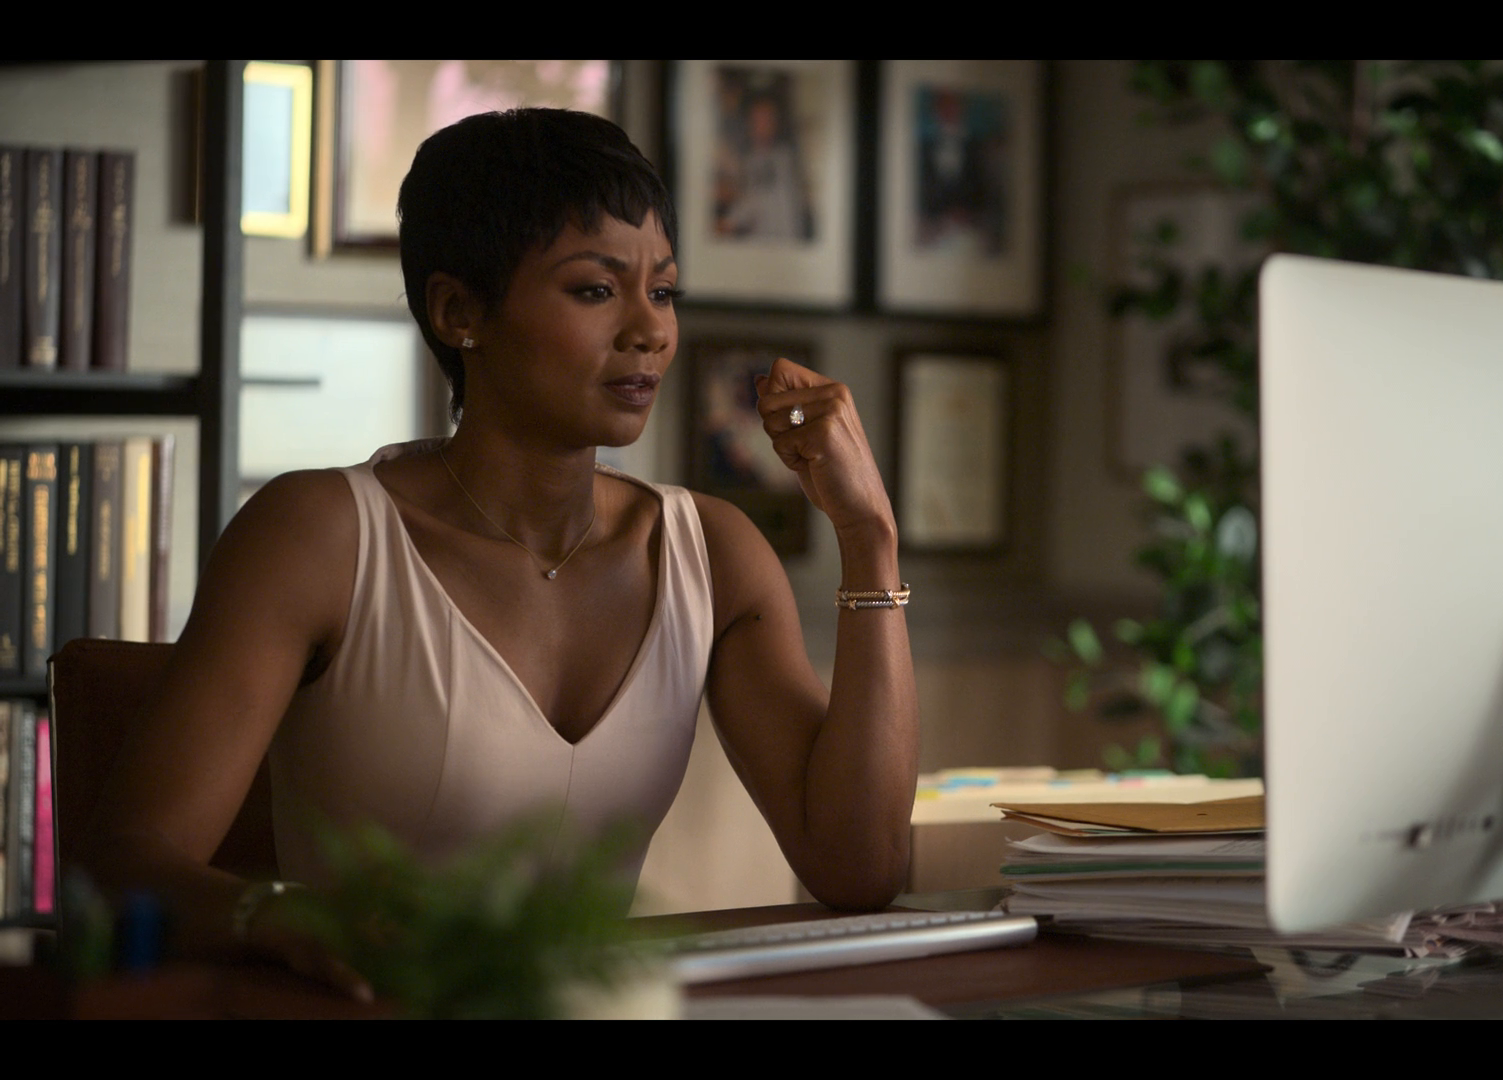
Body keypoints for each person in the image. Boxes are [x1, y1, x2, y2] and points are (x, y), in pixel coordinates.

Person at [81, 109, 918, 999]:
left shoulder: (712, 553)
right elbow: (122, 865)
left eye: (664, 291)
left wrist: (868, 536)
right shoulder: (316, 536)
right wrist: (286, 915)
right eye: (595, 290)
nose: (649, 330)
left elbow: (860, 868)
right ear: (459, 312)